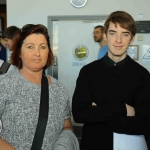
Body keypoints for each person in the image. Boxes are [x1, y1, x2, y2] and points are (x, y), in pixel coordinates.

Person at [72, 11, 150, 150]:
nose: (118, 40)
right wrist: (123, 109)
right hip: (93, 145)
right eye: (113, 33)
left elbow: (144, 123)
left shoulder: (142, 76)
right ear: (105, 35)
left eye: (125, 34)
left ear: (132, 38)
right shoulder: (88, 72)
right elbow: (79, 114)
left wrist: (99, 113)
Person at [0, 24, 79, 150]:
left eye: (42, 47)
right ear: (20, 52)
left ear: (48, 52)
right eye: (30, 47)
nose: (37, 53)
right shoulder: (4, 84)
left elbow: (67, 127)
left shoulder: (59, 90)